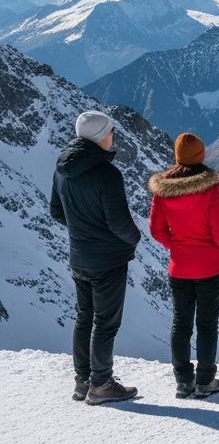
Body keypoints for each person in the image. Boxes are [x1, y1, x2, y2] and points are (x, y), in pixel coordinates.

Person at [50, 110, 142, 405]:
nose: (113, 137)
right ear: (102, 136)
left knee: (84, 317)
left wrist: (81, 229)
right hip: (108, 260)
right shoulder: (107, 174)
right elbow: (119, 223)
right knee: (105, 322)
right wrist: (135, 238)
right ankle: (101, 384)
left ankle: (82, 381)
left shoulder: (62, 169)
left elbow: (56, 211)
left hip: (79, 256)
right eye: (111, 132)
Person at [148, 132, 219, 399]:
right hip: (210, 267)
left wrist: (176, 246)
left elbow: (156, 229)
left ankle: (183, 381)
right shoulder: (211, 189)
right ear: (201, 155)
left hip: (180, 267)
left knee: (181, 323)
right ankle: (205, 380)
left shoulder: (164, 190)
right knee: (207, 324)